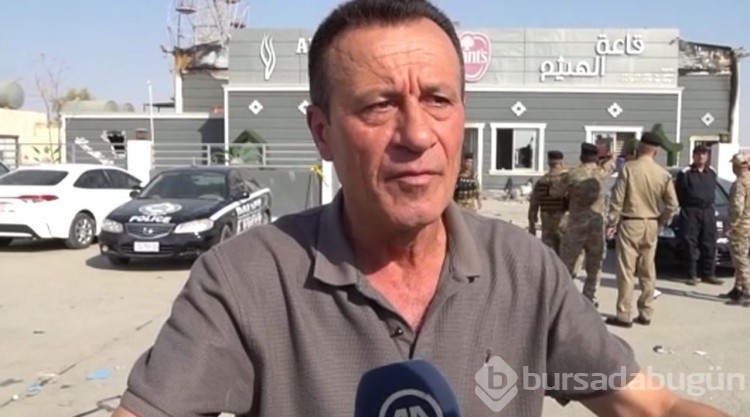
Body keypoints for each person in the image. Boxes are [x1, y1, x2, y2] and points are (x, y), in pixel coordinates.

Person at [111, 1, 730, 416]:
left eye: (438, 100)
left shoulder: (525, 269)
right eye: (378, 105)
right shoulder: (245, 280)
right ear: (322, 132)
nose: (416, 134)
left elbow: (653, 406)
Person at [605, 133, 680, 328]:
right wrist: (662, 220)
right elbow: (673, 204)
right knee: (648, 269)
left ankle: (624, 313)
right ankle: (646, 311)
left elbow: (618, 198)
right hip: (651, 223)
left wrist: (611, 221)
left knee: (626, 270)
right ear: (656, 151)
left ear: (640, 147)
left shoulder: (629, 168)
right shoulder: (662, 173)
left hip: (631, 222)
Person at [550, 143, 616, 308]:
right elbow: (610, 165)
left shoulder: (572, 174)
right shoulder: (602, 172)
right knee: (594, 266)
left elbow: (554, 192)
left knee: (567, 264)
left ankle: (564, 299)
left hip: (576, 225)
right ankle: (589, 298)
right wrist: (611, 158)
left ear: (581, 156)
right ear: (596, 157)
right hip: (596, 227)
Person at [674, 145, 722, 286]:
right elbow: (679, 193)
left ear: (707, 156)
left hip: (708, 211)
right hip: (691, 211)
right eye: (698, 154)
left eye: (704, 154)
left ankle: (709, 274)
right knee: (690, 244)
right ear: (693, 156)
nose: (701, 157)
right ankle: (692, 275)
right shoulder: (686, 173)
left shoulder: (711, 172)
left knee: (709, 243)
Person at [722, 152, 750, 305]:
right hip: (748, 225)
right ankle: (737, 289)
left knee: (740, 260)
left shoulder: (740, 183)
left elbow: (737, 209)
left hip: (740, 227)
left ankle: (747, 291)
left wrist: (730, 226)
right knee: (741, 256)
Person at [528, 150, 568, 254]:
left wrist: (532, 223)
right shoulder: (566, 180)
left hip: (547, 221)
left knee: (548, 254)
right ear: (561, 162)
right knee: (565, 254)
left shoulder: (541, 181)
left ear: (549, 162)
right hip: (563, 221)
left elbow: (534, 204)